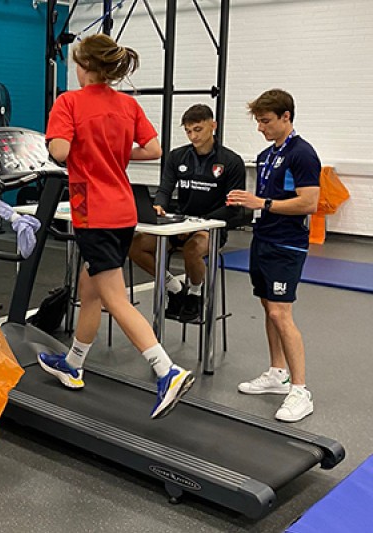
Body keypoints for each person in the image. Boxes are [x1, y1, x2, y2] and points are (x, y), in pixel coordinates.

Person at [41, 34, 194, 419]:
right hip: (124, 211)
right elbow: (155, 149)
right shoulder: (127, 105)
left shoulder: (69, 102)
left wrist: (83, 147)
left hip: (94, 213)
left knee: (114, 296)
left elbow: (59, 151)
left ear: (86, 66)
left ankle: (166, 370)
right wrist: (111, 151)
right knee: (90, 289)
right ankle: (74, 363)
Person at [227, 89, 320, 422]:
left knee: (281, 313)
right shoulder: (267, 156)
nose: (261, 128)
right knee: (268, 307)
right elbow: (268, 199)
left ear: (286, 117)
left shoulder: (303, 154)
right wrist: (246, 201)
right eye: (258, 121)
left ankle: (300, 390)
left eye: (266, 121)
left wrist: (262, 203)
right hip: (263, 239)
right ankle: (277, 373)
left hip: (287, 244)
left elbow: (309, 202)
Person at [128, 104, 246, 322]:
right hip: (178, 224)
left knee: (193, 250)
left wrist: (199, 223)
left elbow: (234, 206)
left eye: (198, 129)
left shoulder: (232, 162)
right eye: (189, 131)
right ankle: (173, 287)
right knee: (135, 246)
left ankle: (195, 293)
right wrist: (159, 205)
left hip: (211, 227)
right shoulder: (177, 157)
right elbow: (164, 189)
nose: (193, 136)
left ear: (213, 126)